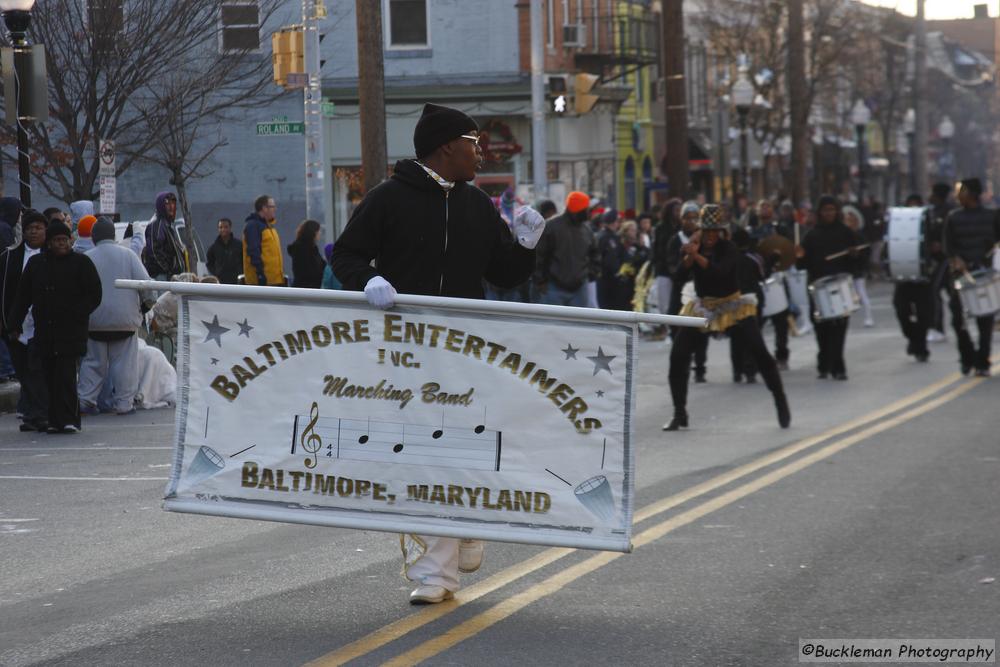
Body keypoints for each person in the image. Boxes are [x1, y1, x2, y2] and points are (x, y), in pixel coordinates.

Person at [331, 102, 544, 606]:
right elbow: (345, 254)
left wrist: (527, 245)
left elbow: (505, 274)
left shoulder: (476, 205)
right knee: (423, 456)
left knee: (468, 447)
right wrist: (370, 279)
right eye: (474, 144)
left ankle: (466, 528)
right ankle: (435, 574)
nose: (481, 153)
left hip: (467, 351)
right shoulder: (387, 198)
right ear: (448, 146)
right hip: (406, 355)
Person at [665, 204, 790, 431]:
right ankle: (679, 412)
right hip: (704, 305)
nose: (711, 235)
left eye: (715, 231)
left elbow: (719, 272)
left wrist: (698, 257)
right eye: (707, 230)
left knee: (759, 351)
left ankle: (780, 399)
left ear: (722, 231)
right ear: (701, 230)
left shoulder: (729, 248)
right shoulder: (695, 246)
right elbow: (679, 276)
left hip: (732, 305)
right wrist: (688, 259)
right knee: (678, 355)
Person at [8, 220, 102, 433]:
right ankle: (53, 420)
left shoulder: (81, 263)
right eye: (57, 240)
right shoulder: (37, 264)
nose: (62, 244)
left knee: (66, 376)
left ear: (71, 240)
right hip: (45, 331)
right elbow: (23, 297)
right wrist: (14, 324)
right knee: (48, 376)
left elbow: (94, 294)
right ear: (49, 243)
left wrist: (78, 312)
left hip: (71, 331)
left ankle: (69, 419)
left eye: (65, 240)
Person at [78, 217, 153, 415]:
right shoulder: (128, 255)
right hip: (124, 321)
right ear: (113, 235)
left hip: (94, 321)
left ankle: (85, 400)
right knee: (124, 365)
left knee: (93, 363)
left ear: (94, 237)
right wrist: (145, 307)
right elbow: (146, 285)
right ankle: (124, 403)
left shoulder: (87, 257)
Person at [796, 195, 863, 380]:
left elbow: (858, 260)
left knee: (840, 328)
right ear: (819, 213)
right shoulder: (811, 235)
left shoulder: (846, 233)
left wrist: (854, 255)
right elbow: (801, 265)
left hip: (841, 285)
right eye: (825, 210)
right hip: (817, 286)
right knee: (822, 330)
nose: (829, 213)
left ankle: (838, 367)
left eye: (832, 210)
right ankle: (824, 363)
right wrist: (799, 256)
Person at [943, 177, 1000, 376]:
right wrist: (955, 259)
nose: (958, 195)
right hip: (961, 275)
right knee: (958, 320)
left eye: (961, 191)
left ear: (971, 194)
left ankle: (983, 361)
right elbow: (948, 246)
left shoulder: (992, 216)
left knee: (985, 320)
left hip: (985, 274)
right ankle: (967, 357)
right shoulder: (953, 217)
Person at [0, 210, 49, 430]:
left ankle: (41, 413)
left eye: (38, 228)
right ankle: (31, 413)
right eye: (30, 228)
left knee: (39, 370)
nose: (34, 232)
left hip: (45, 327)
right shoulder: (9, 257)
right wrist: (8, 325)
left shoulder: (54, 254)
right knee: (24, 372)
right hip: (16, 327)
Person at [532, 191, 599, 307]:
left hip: (579, 289)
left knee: (578, 324)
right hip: (553, 288)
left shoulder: (587, 230)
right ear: (579, 210)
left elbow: (595, 254)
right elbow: (539, 255)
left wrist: (591, 274)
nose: (589, 213)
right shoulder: (551, 226)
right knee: (554, 324)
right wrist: (540, 281)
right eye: (587, 209)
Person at [667, 201, 709, 381]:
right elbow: (671, 267)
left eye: (694, 218)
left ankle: (700, 366)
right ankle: (682, 364)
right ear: (681, 220)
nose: (691, 222)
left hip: (699, 291)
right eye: (687, 218)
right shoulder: (675, 240)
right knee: (677, 328)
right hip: (680, 290)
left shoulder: (704, 240)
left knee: (701, 330)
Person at [891, 197, 933, 363]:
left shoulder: (930, 226)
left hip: (923, 279)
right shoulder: (898, 227)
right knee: (902, 311)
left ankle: (921, 347)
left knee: (924, 316)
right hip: (904, 278)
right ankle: (913, 338)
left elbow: (940, 247)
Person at [925, 183, 953, 343]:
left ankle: (939, 327)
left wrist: (942, 245)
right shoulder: (932, 211)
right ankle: (938, 327)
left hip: (946, 258)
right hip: (936, 259)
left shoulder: (948, 211)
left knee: (935, 291)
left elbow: (950, 233)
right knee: (943, 293)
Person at [142, 192, 187, 280]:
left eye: (173, 202)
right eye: (167, 203)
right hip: (162, 277)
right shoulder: (157, 225)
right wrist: (168, 270)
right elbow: (154, 252)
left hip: (169, 277)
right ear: (161, 205)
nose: (171, 206)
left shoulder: (167, 225)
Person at [842, 205, 874, 327]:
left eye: (850, 219)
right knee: (846, 296)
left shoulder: (860, 235)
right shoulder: (843, 236)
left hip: (858, 269)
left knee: (861, 293)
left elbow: (866, 251)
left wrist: (858, 256)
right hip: (846, 270)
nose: (848, 222)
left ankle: (868, 317)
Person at [243, 195, 285, 286]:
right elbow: (253, 251)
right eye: (272, 206)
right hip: (262, 281)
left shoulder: (269, 226)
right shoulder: (253, 226)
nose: (275, 209)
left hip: (274, 279)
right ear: (264, 208)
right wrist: (260, 275)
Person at [287, 219, 325, 288]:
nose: (320, 233)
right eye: (318, 231)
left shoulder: (313, 248)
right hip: (305, 289)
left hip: (312, 288)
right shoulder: (302, 250)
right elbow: (307, 272)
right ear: (313, 232)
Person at [206, 218, 242, 284]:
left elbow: (244, 260)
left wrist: (240, 273)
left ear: (230, 228)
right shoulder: (214, 247)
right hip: (221, 283)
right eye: (220, 227)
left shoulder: (239, 245)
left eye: (226, 227)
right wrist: (216, 273)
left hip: (236, 282)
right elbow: (209, 263)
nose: (223, 229)